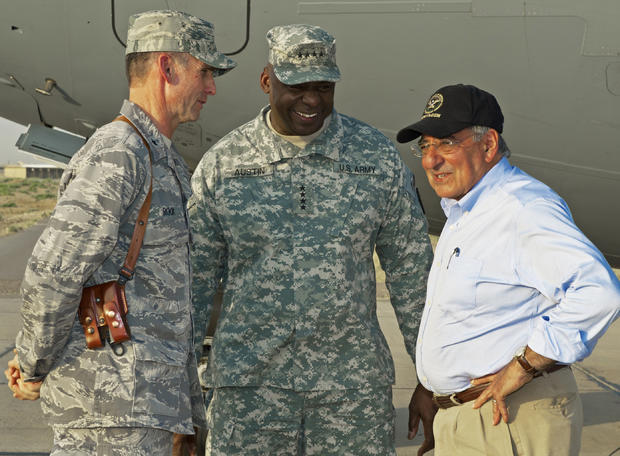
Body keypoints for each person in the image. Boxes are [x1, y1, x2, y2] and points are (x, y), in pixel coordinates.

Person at [188, 24, 433, 455]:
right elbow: (194, 282)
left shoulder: (374, 158)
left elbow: (413, 277)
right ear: (268, 81)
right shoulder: (224, 165)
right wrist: (178, 387)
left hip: (350, 393)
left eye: (323, 86)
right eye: (297, 85)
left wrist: (432, 377)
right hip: (249, 393)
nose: (312, 99)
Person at [4, 10, 236, 455]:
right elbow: (54, 272)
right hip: (108, 409)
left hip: (143, 405)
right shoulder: (118, 153)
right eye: (204, 72)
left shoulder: (158, 158)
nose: (211, 88)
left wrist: (185, 409)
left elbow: (171, 298)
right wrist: (33, 364)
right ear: (167, 67)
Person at [397, 84, 620, 455]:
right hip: (472, 416)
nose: (430, 160)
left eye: (447, 144)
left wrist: (523, 366)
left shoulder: (521, 208)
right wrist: (433, 388)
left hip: (510, 418)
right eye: (425, 146)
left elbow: (598, 291)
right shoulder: (465, 209)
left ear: (488, 145)